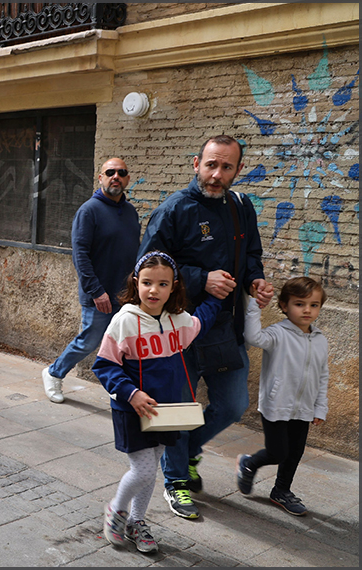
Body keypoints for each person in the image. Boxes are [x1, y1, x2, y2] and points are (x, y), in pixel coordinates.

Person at [138, 134, 275, 520]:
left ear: (237, 170)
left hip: (224, 329)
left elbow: (251, 254)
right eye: (211, 165)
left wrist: (255, 281)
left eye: (226, 167)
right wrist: (200, 279)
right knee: (179, 410)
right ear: (196, 163)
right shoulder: (175, 209)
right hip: (177, 328)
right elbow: (145, 267)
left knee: (234, 404)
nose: (216, 175)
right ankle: (176, 481)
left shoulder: (240, 206)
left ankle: (186, 451)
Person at [93, 252, 221, 554]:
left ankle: (137, 522)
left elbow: (203, 319)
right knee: (144, 470)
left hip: (165, 411)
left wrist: (223, 293)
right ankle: (117, 511)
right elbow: (104, 365)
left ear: (174, 287)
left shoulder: (178, 321)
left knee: (152, 468)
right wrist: (131, 393)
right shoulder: (123, 321)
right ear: (136, 283)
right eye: (147, 283)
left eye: (162, 284)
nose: (154, 290)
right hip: (130, 409)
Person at [41, 158, 141, 403]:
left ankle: (122, 389)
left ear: (128, 179)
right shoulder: (89, 210)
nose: (115, 176)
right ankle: (54, 373)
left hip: (125, 294)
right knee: (89, 341)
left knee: (124, 345)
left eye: (121, 172)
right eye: (110, 172)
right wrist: (96, 291)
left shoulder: (129, 211)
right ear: (101, 177)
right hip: (99, 294)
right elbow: (80, 255)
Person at [237, 277, 329, 516]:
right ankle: (249, 463)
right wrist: (255, 305)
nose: (307, 310)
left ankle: (281, 491)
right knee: (278, 452)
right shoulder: (277, 334)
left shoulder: (320, 340)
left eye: (314, 304)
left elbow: (322, 375)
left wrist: (320, 408)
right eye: (300, 304)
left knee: (295, 453)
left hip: (304, 408)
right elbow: (253, 338)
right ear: (285, 305)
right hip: (276, 405)